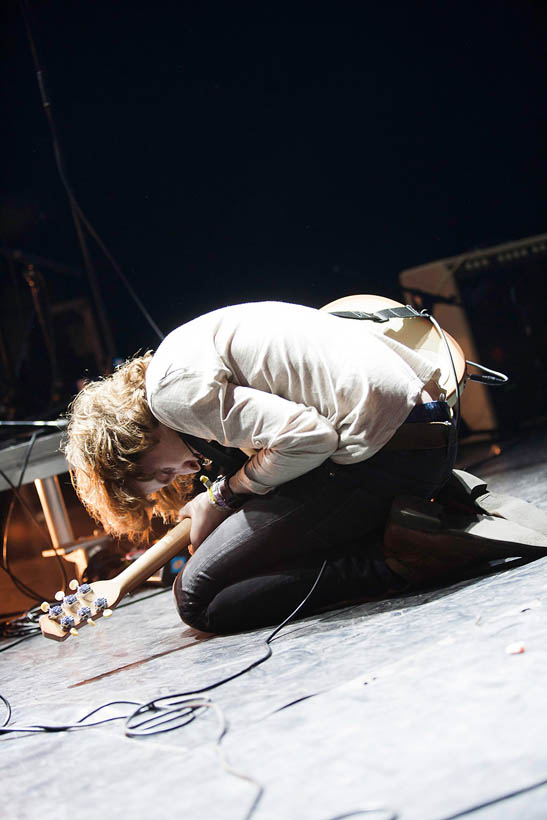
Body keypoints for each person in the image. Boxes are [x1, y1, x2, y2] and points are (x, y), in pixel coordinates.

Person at [64, 299, 528, 634]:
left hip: (391, 456)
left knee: (197, 598)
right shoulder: (176, 355)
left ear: (135, 440)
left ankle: (403, 557)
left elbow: (310, 439)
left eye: (162, 473)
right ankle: (423, 510)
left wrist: (226, 494)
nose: (181, 474)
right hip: (426, 438)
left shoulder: (173, 398)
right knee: (247, 555)